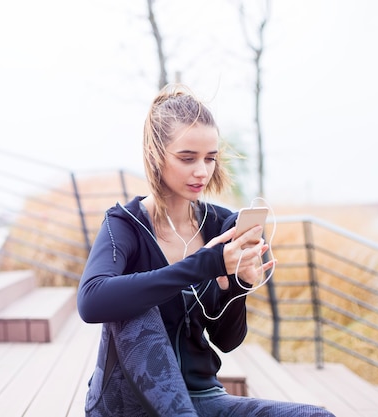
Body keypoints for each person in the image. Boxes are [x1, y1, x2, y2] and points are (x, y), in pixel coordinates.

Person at [77, 84, 335, 417]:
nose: (202, 171)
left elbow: (226, 340)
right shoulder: (124, 224)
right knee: (134, 302)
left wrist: (236, 286)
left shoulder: (220, 225)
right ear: (156, 155)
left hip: (201, 398)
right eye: (188, 158)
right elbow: (91, 301)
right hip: (127, 403)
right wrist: (204, 264)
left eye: (210, 158)